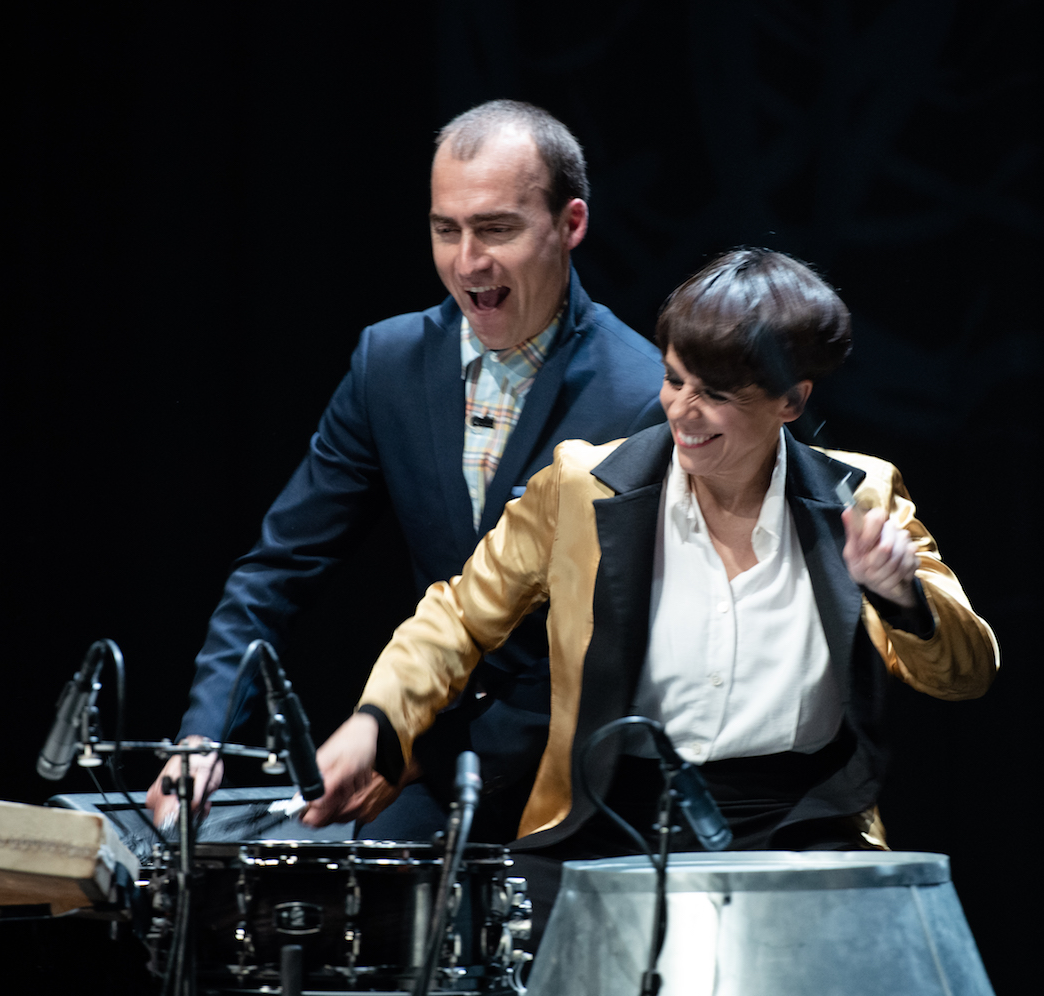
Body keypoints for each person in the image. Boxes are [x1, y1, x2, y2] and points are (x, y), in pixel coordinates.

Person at [303, 248, 999, 939]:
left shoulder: (863, 495)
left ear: (792, 400)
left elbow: (966, 674)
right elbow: (457, 617)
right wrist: (374, 722)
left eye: (716, 394)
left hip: (800, 821)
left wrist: (899, 594)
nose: (684, 413)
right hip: (612, 815)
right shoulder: (582, 487)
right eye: (674, 380)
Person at [145, 100, 665, 839]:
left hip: (582, 781)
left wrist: (411, 750)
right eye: (445, 229)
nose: (466, 261)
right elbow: (281, 567)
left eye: (497, 229)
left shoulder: (640, 397)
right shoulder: (386, 365)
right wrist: (203, 736)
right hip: (431, 749)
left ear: (571, 224)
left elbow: (618, 659)